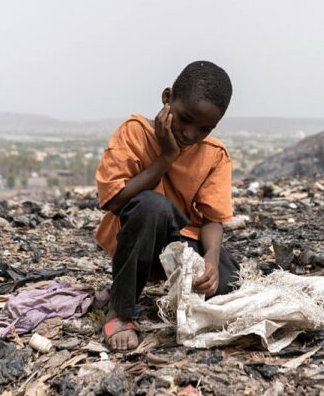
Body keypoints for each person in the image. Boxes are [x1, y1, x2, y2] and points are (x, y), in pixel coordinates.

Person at [95, 60, 240, 351]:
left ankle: (186, 287)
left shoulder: (214, 154)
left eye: (204, 128)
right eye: (184, 119)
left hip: (179, 244)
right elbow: (113, 201)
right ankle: (120, 309)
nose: (190, 134)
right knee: (153, 207)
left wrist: (210, 258)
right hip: (135, 240)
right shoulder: (134, 133)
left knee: (228, 281)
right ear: (167, 99)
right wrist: (166, 159)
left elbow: (213, 219)